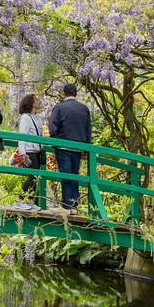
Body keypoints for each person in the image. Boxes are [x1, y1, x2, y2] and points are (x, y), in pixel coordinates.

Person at [47, 82, 91, 215]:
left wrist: (55, 142)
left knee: (65, 174)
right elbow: (88, 130)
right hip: (78, 148)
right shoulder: (84, 108)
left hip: (63, 146)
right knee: (74, 175)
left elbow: (52, 126)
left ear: (64, 94)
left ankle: (66, 206)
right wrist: (85, 148)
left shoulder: (60, 107)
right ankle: (73, 206)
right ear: (76, 94)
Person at [15, 93, 44, 211]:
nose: (39, 101)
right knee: (32, 177)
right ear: (31, 103)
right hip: (30, 151)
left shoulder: (35, 117)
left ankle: (30, 201)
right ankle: (19, 200)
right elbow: (22, 136)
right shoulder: (26, 117)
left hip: (37, 150)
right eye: (37, 100)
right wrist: (22, 153)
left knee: (35, 177)